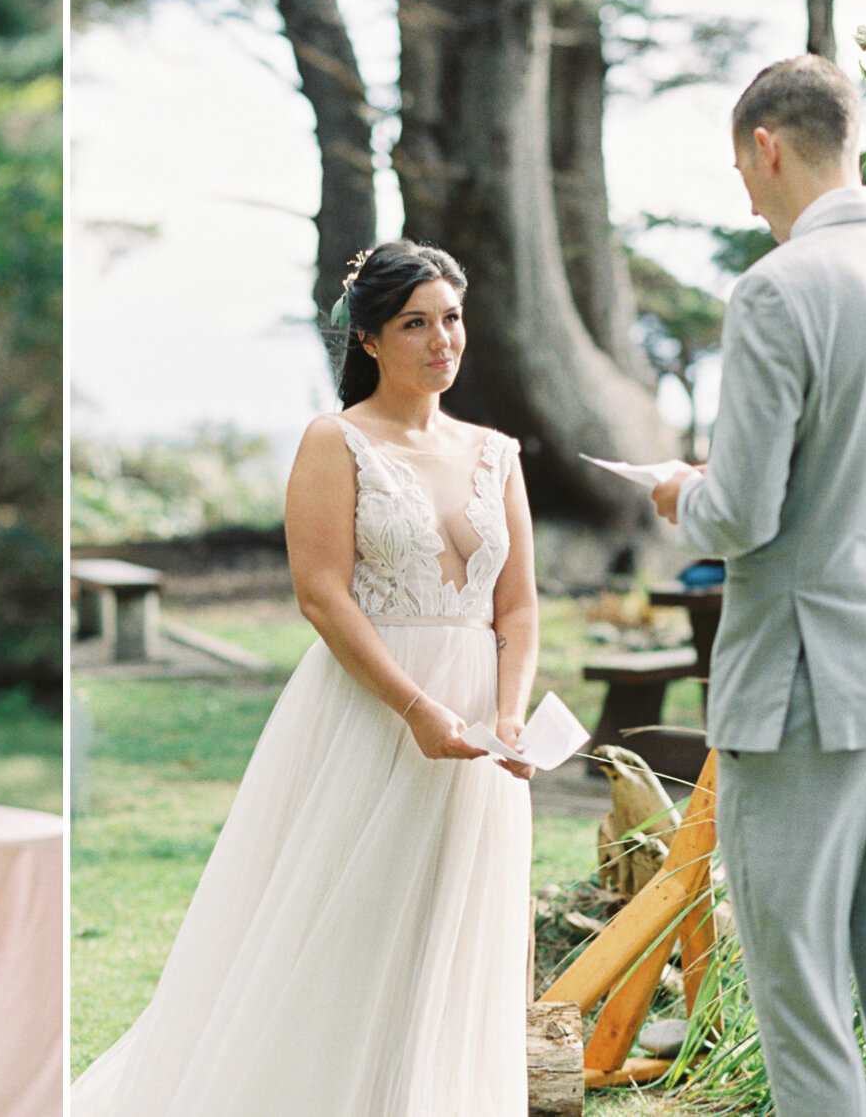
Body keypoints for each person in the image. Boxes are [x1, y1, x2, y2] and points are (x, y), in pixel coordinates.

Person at [72, 239, 538, 1115]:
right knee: (350, 917)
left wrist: (506, 714)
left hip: (480, 722)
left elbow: (517, 608)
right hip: (374, 709)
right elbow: (320, 595)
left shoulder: (495, 452)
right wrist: (414, 705)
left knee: (454, 926)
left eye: (452, 320)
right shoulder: (336, 442)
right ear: (367, 338)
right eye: (415, 324)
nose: (442, 341)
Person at [651, 54, 866, 1117]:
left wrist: (679, 494)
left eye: (740, 168)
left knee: (797, 992)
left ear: (767, 146)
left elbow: (744, 514)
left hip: (804, 687)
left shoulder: (779, 288)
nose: (746, 195)